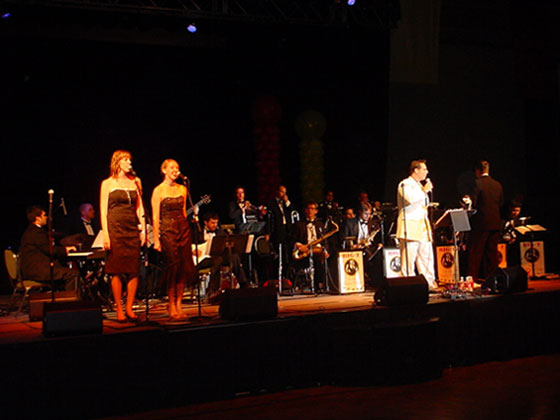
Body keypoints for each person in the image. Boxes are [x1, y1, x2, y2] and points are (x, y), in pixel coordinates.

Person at [100, 150, 146, 322]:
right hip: (115, 229)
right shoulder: (107, 183)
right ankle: (119, 308)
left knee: (134, 269)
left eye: (130, 160)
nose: (129, 163)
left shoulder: (135, 182)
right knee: (117, 270)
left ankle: (129, 307)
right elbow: (103, 211)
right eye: (125, 160)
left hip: (131, 228)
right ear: (117, 162)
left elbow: (139, 208)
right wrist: (106, 235)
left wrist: (143, 230)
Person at [151, 159, 197, 320]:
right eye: (172, 167)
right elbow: (155, 217)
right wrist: (156, 240)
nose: (175, 170)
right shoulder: (158, 191)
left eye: (177, 167)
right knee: (173, 267)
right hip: (167, 232)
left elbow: (183, 212)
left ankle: (179, 303)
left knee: (183, 268)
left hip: (183, 230)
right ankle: (170, 303)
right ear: (164, 170)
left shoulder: (182, 189)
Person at [396, 159, 438, 291]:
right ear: (416, 170)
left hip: (423, 227)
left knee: (426, 257)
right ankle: (407, 285)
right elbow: (410, 199)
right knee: (408, 259)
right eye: (424, 169)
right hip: (410, 227)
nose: (427, 172)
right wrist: (424, 191)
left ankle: (428, 283)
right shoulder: (405, 184)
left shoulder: (419, 186)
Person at [19, 205, 79, 291]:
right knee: (73, 274)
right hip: (37, 271)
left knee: (63, 271)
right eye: (44, 215)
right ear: (37, 218)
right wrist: (66, 249)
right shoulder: (37, 232)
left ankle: (62, 296)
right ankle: (69, 299)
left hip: (33, 269)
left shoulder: (31, 231)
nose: (46, 217)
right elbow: (50, 250)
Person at [465, 160, 504, 283]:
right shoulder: (497, 185)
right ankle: (493, 280)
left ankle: (472, 279)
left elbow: (474, 204)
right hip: (495, 223)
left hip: (480, 224)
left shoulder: (477, 184)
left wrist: (466, 203)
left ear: (477, 171)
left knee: (475, 253)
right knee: (492, 254)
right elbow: (501, 203)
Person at [291, 201, 331, 293]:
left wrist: (326, 250)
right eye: (308, 208)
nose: (310, 211)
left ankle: (322, 284)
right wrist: (299, 245)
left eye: (312, 209)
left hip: (318, 250)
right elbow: (292, 239)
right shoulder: (298, 224)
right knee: (316, 260)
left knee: (322, 258)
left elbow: (325, 241)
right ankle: (316, 284)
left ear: (316, 211)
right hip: (305, 250)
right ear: (305, 210)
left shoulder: (320, 224)